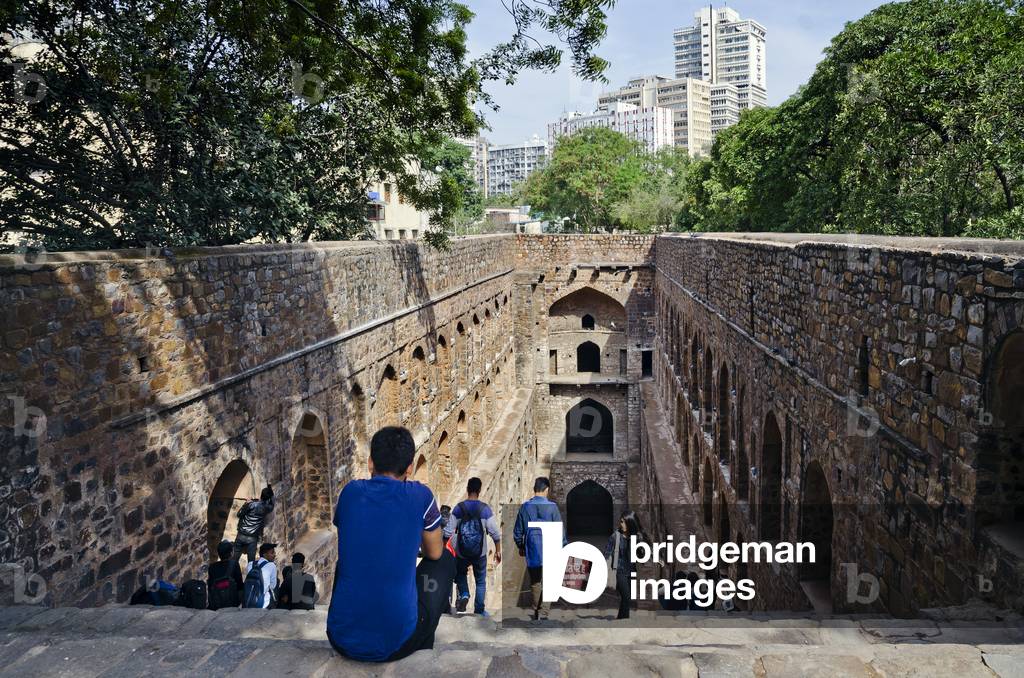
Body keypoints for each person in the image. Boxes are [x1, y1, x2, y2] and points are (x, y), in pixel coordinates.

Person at [326, 426, 455, 662]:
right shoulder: (420, 496)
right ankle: (423, 650)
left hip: (340, 637)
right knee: (445, 560)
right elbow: (434, 552)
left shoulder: (350, 493)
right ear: (410, 467)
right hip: (397, 642)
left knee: (348, 561)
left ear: (370, 463)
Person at [445, 477, 502, 616]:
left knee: (460, 574)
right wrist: (498, 550)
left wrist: (442, 549)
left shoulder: (459, 508)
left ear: (467, 489)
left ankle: (464, 593)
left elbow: (447, 532)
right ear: (479, 490)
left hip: (462, 552)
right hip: (480, 553)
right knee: (481, 581)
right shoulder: (485, 509)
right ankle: (479, 611)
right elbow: (495, 533)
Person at [513, 476, 564, 621]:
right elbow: (559, 531)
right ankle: (544, 613)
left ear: (534, 489)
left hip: (532, 548)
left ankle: (536, 610)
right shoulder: (552, 507)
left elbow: (518, 531)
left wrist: (521, 546)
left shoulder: (525, 507)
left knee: (535, 581)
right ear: (546, 489)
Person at [605, 510, 649, 620]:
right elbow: (606, 553)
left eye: (624, 522)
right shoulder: (615, 536)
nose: (621, 524)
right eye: (621, 522)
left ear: (631, 523)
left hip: (632, 571)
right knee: (626, 597)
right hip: (619, 571)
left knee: (627, 599)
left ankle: (621, 619)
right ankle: (624, 620)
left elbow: (642, 554)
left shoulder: (636, 537)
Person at [233, 484, 275, 565]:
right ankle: (251, 577)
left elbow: (239, 514)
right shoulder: (267, 508)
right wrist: (271, 493)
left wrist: (246, 503)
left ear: (261, 495)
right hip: (252, 538)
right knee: (251, 563)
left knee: (233, 561)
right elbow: (272, 504)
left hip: (241, 535)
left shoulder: (251, 505)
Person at [207, 539, 244, 610]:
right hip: (232, 602)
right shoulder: (234, 564)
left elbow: (210, 586)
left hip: (216, 602)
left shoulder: (212, 567)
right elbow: (240, 585)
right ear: (231, 553)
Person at [243, 542, 278, 609]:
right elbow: (273, 586)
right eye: (272, 553)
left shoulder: (250, 564)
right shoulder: (272, 565)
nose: (274, 555)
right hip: (263, 604)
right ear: (264, 554)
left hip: (248, 601)